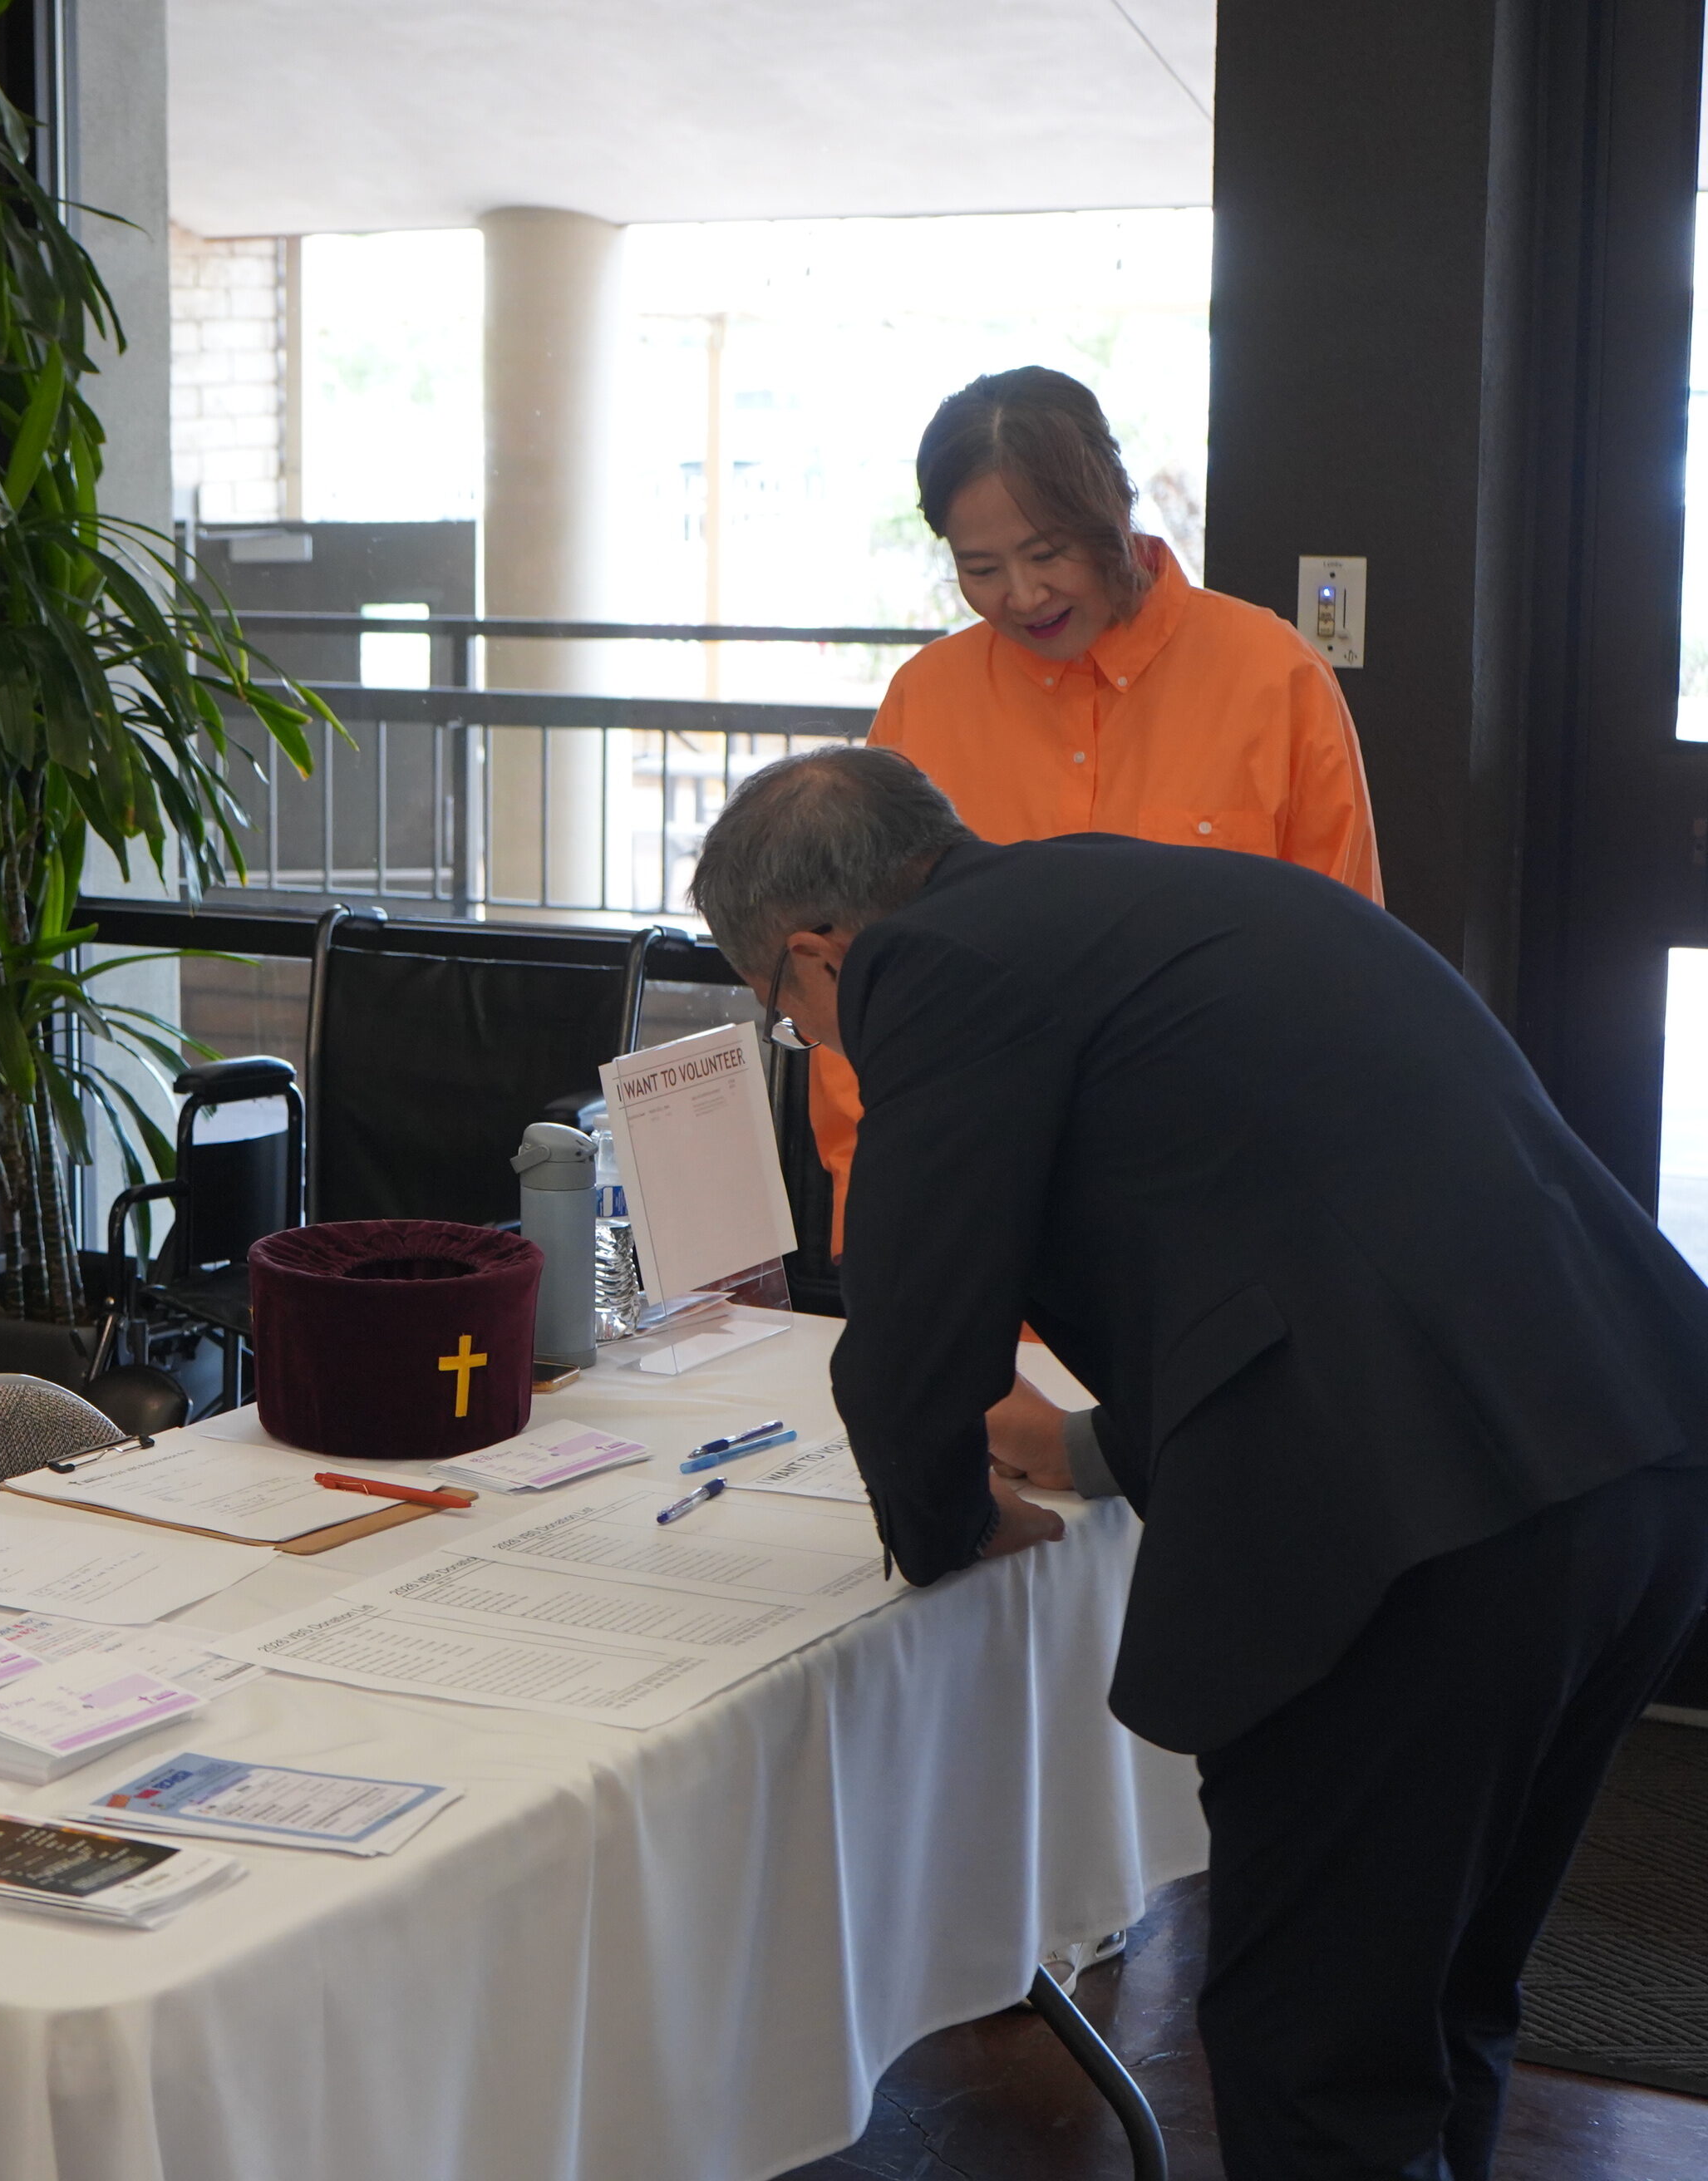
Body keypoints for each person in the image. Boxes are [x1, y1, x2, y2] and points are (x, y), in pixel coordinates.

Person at [690, 745, 1708, 2181]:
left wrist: (944, 1521)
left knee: (1315, 2062)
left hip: (1421, 1536)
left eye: (784, 1014)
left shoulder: (928, 965)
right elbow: (1323, 1244)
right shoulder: (1152, 898)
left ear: (816, 948)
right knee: (1439, 2001)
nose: (814, 1037)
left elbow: (909, 1340)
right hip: (1638, 1444)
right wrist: (1089, 1445)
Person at [810, 367, 1383, 1248]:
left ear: (1113, 505)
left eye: (1047, 554)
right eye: (980, 568)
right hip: (979, 1224)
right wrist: (881, 1219)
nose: (1022, 595)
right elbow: (858, 994)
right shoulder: (924, 703)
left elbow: (1348, 981)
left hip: (1223, 1220)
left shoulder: (1273, 679)